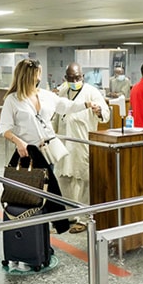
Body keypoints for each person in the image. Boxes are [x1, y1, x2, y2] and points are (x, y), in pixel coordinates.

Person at [0, 59, 96, 234]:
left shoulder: (45, 95)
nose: (39, 77)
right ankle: (37, 230)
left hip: (48, 151)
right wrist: (18, 141)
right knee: (38, 194)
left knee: (47, 191)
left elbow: (66, 106)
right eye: (38, 73)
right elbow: (4, 129)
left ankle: (45, 232)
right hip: (29, 153)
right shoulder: (12, 100)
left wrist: (87, 104)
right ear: (29, 75)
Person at [54, 63, 109, 233]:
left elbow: (105, 115)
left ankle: (85, 218)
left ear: (82, 76)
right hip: (64, 141)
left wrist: (99, 110)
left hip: (83, 141)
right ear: (66, 78)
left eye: (77, 77)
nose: (75, 80)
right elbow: (56, 115)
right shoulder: (63, 91)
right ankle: (70, 215)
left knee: (85, 180)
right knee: (64, 178)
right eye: (71, 78)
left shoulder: (92, 91)